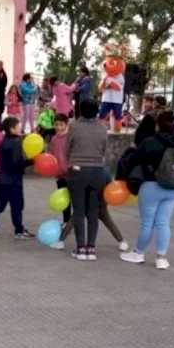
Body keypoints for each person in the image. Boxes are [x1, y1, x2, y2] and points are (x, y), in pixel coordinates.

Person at [119, 111, 174, 270]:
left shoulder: (149, 141)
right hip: (173, 187)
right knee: (164, 222)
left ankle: (138, 253)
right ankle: (161, 258)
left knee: (147, 222)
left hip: (151, 185)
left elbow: (134, 160)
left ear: (158, 124)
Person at [65, 100, 108, 260]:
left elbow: (67, 148)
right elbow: (104, 150)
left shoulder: (74, 126)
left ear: (81, 111)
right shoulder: (103, 128)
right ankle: (91, 248)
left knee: (79, 210)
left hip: (77, 171)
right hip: (97, 171)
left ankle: (80, 247)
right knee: (93, 211)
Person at [0, 116, 34, 239]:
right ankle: (19, 230)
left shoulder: (3, 141)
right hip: (14, 180)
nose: (20, 128)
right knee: (17, 205)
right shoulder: (16, 142)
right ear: (12, 128)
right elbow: (17, 163)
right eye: (18, 126)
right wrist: (31, 161)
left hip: (3, 178)